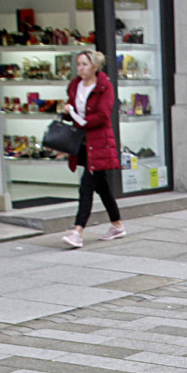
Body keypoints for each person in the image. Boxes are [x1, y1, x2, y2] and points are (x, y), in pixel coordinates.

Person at [60, 49, 123, 249]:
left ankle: (77, 231)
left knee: (86, 186)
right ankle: (117, 225)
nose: (80, 68)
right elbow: (72, 110)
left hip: (100, 142)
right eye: (78, 64)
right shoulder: (75, 85)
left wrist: (80, 120)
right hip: (82, 143)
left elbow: (103, 115)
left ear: (95, 66)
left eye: (84, 64)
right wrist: (67, 112)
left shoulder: (104, 87)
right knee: (101, 186)